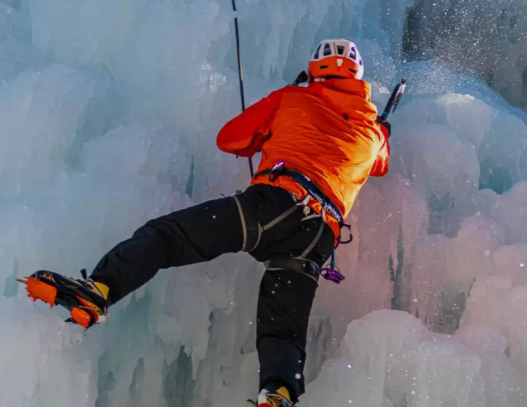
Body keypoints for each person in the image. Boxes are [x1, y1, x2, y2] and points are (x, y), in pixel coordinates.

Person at [19, 38, 391, 407]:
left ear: (313, 70)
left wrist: (283, 116)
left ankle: (100, 289)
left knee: (167, 236)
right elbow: (379, 163)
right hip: (316, 237)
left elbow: (230, 139)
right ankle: (278, 394)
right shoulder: (373, 131)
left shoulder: (292, 98)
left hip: (273, 204)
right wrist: (382, 131)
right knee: (283, 329)